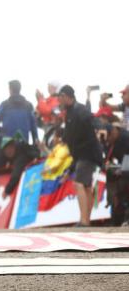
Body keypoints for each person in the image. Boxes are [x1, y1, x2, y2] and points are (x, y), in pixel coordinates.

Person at [58, 85, 104, 227]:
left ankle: (84, 221)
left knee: (79, 184)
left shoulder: (79, 109)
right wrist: (69, 171)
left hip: (88, 154)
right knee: (87, 187)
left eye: (60, 97)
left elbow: (92, 119)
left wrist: (102, 128)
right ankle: (86, 220)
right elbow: (73, 145)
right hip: (84, 155)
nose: (59, 100)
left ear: (66, 96)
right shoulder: (70, 113)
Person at [0, 80, 40, 145]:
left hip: (8, 147)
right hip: (24, 145)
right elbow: (33, 127)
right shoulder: (29, 105)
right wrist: (35, 144)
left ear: (10, 90)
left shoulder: (5, 105)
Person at [0, 132, 39, 197]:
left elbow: (16, 175)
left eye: (10, 148)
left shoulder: (21, 154)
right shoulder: (14, 155)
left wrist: (7, 190)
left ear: (13, 146)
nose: (9, 152)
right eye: (6, 151)